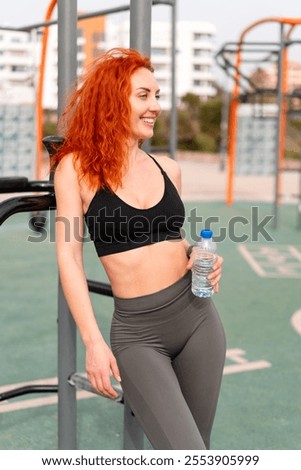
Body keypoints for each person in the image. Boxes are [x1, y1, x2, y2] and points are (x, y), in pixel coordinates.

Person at [53, 47, 226, 450]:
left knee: (197, 449)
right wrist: (94, 342)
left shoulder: (169, 167)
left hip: (199, 320)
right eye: (143, 95)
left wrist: (202, 258)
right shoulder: (75, 168)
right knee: (186, 450)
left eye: (158, 96)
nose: (155, 107)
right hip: (138, 333)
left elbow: (172, 240)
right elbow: (68, 258)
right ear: (113, 101)